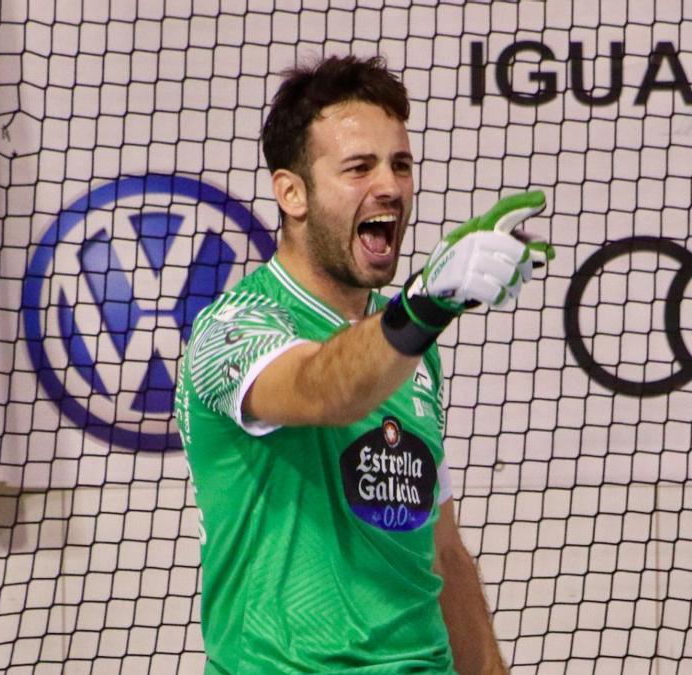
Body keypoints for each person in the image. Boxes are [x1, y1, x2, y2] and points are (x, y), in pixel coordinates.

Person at [174, 54, 553, 674]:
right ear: (291, 193)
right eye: (359, 167)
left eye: (400, 165)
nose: (390, 186)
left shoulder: (410, 344)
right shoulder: (231, 328)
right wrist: (426, 305)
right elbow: (324, 389)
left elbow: (442, 551)